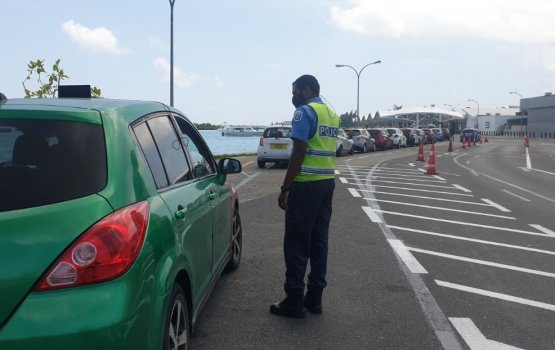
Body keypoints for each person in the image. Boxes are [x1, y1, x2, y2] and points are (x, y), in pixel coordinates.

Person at [270, 74, 339, 318]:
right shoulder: (331, 114)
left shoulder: (304, 112)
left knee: (297, 243)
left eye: (296, 90)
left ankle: (294, 300)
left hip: (306, 185)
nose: (294, 96)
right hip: (326, 184)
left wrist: (285, 188)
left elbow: (299, 151)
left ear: (307, 90)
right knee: (319, 242)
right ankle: (315, 299)